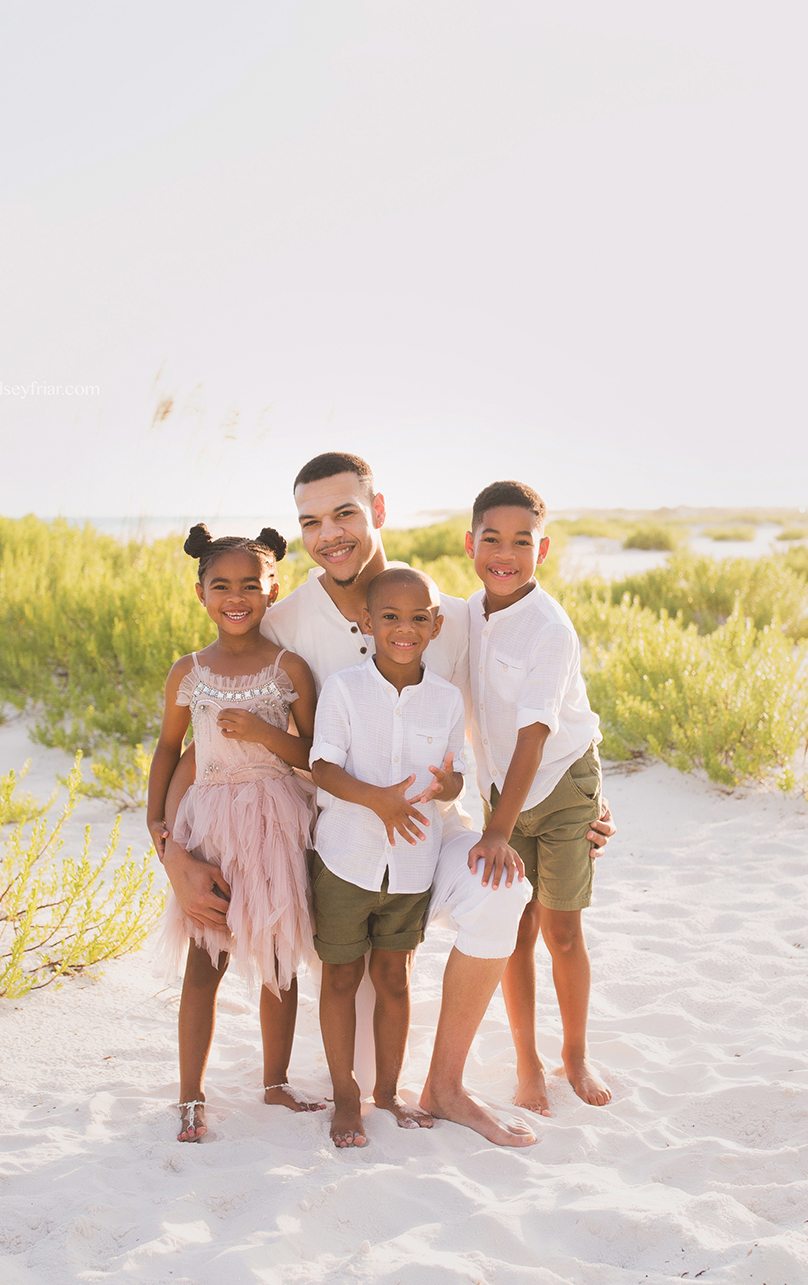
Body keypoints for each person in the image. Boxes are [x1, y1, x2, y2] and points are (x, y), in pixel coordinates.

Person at [156, 452, 618, 1147]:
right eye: (311, 520)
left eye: (345, 512)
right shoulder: (283, 626)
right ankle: (353, 1082)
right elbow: (210, 742)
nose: (330, 533)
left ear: (376, 511)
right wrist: (170, 853)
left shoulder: (445, 612)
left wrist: (578, 800)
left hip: (429, 839)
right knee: (364, 1063)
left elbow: (518, 710)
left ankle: (447, 1085)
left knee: (503, 888)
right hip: (330, 859)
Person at [144, 525, 326, 1143]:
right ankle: (190, 1095)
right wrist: (159, 829)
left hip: (275, 820)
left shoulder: (287, 668)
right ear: (200, 594)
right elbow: (170, 752)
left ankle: (274, 1082)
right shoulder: (188, 673)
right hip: (211, 823)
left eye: (251, 584)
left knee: (279, 956)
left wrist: (264, 733)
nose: (236, 597)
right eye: (221, 585)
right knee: (205, 959)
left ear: (272, 590)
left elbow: (315, 756)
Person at [306, 566, 476, 1147]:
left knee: (395, 980)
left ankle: (387, 1090)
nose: (404, 629)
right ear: (366, 622)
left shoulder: (447, 700)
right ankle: (346, 1094)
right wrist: (377, 801)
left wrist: (447, 786)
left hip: (411, 865)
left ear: (436, 625)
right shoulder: (346, 690)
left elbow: (455, 782)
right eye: (390, 618)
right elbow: (322, 767)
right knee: (340, 976)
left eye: (418, 618)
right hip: (346, 862)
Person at [466, 480, 613, 1115]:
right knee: (512, 931)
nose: (505, 554)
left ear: (542, 549)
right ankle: (528, 1063)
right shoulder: (465, 612)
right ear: (469, 544)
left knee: (562, 930)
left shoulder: (550, 629)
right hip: (504, 788)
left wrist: (496, 832)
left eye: (521, 542)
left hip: (558, 783)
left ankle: (574, 1056)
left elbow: (534, 735)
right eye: (491, 540)